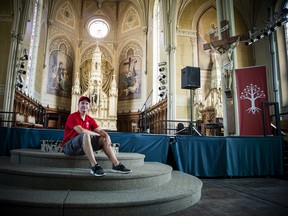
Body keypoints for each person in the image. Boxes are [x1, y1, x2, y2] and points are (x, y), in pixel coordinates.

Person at [62, 96, 132, 177]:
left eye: (87, 103)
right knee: (86, 135)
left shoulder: (90, 119)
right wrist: (94, 134)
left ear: (89, 106)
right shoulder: (72, 116)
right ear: (78, 105)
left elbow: (100, 131)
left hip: (81, 148)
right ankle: (95, 166)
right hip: (69, 147)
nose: (84, 105)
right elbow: (81, 131)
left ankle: (116, 165)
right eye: (82, 103)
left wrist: (107, 136)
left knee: (103, 139)